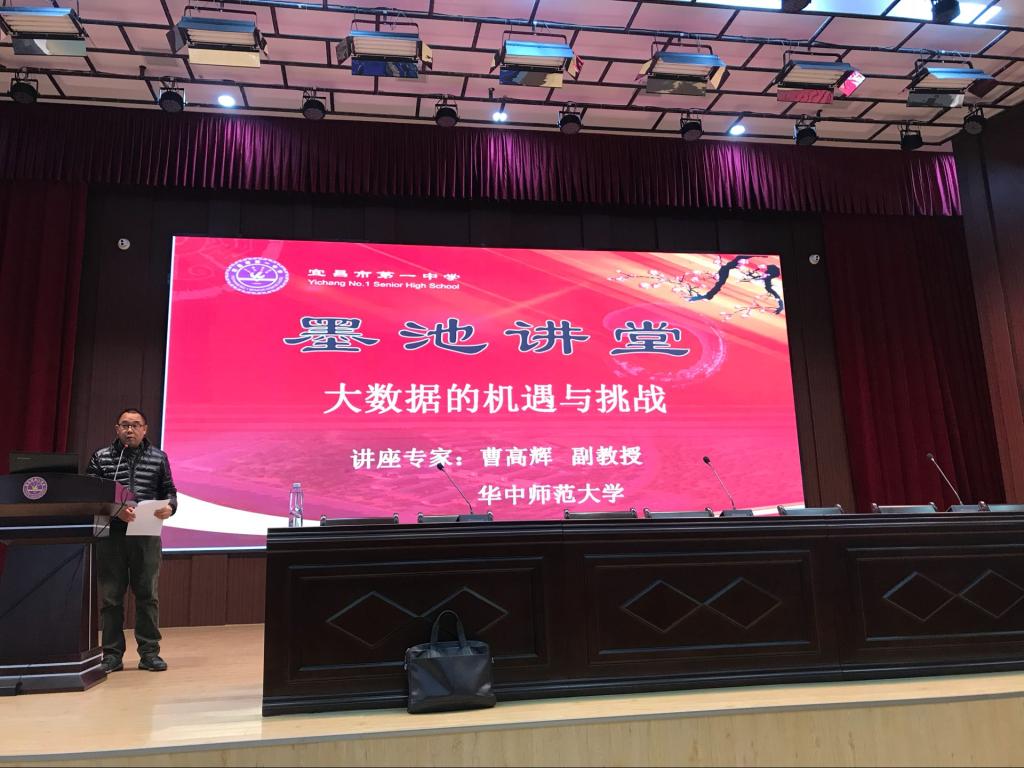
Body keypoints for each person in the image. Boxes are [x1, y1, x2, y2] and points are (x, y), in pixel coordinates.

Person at [87, 408, 177, 673]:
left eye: (136, 425)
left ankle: (149, 653)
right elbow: (90, 494)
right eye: (125, 425)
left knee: (147, 596)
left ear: (145, 429)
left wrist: (170, 507)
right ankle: (112, 655)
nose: (130, 430)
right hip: (111, 535)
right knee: (111, 598)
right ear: (117, 429)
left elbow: (170, 491)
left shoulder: (158, 457)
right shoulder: (101, 457)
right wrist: (115, 511)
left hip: (146, 534)